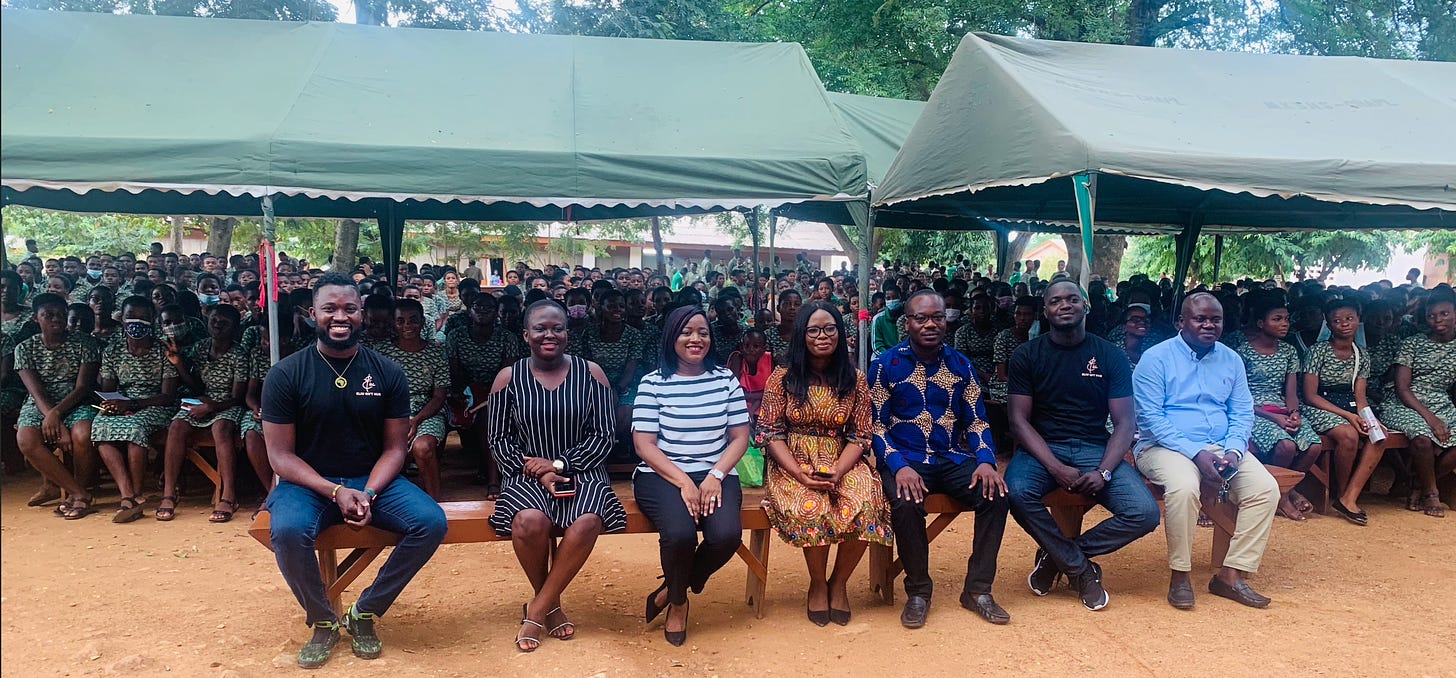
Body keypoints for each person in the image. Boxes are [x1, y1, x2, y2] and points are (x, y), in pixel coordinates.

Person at [262, 274, 447, 669]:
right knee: (288, 531)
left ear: (362, 314)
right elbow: (280, 457)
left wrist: (369, 492)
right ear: (312, 314)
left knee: (431, 521)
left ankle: (365, 611)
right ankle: (323, 620)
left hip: (371, 478)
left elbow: (396, 447)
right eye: (330, 309)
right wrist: (334, 491)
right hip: (307, 482)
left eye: (349, 308)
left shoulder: (388, 372)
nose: (340, 317)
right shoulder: (285, 374)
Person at [1005, 281, 1158, 611]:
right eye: (1056, 301)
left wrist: (1103, 471)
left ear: (1085, 305)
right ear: (1045, 311)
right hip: (1041, 450)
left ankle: (1058, 557)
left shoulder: (1109, 355)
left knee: (1144, 513)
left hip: (1095, 448)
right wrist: (1055, 467)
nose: (1065, 305)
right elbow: (1018, 421)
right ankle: (1080, 569)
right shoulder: (1026, 355)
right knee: (1015, 492)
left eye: (1072, 299)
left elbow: (1126, 424)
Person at [487, 301, 626, 651]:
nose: (549, 335)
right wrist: (535, 468)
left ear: (568, 333)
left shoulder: (591, 373)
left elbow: (604, 435)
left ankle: (536, 610)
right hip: (526, 472)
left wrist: (559, 465)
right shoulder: (508, 378)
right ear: (526, 335)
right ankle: (550, 603)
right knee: (530, 521)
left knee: (587, 521)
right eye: (540, 328)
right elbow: (498, 440)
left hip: (582, 469)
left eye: (557, 328)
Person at [869, 290, 1010, 629]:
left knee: (997, 494)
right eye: (921, 318)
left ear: (946, 320)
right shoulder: (885, 366)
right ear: (908, 323)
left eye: (937, 317)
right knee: (905, 502)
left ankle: (977, 590)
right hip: (904, 457)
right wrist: (899, 466)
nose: (930, 324)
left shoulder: (962, 366)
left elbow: (976, 421)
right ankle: (918, 592)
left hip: (949, 456)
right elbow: (875, 425)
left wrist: (986, 461)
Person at [1133, 292, 1280, 610]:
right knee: (1185, 487)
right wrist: (1196, 453)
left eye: (1216, 319)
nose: (1209, 325)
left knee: (1266, 490)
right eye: (1200, 318)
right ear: (1181, 322)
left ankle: (1230, 575)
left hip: (1220, 447)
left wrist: (1234, 453)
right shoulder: (1155, 358)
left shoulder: (1231, 359)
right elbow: (1149, 418)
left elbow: (1242, 413)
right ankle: (1180, 574)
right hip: (1163, 446)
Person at [759, 301, 892, 626]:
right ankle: (817, 583)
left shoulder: (855, 379)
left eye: (829, 328)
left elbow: (861, 434)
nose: (822, 336)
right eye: (814, 330)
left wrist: (837, 470)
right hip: (792, 460)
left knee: (867, 501)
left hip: (841, 459)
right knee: (812, 504)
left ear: (840, 332)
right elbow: (769, 431)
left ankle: (839, 583)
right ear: (802, 335)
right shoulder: (782, 378)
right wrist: (799, 473)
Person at [633, 306, 750, 647]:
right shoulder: (652, 383)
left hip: (716, 471)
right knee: (681, 534)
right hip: (662, 474)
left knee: (726, 535)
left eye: (703, 332)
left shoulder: (725, 379)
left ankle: (672, 588)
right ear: (672, 337)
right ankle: (679, 604)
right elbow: (644, 445)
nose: (695, 339)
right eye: (686, 332)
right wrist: (684, 482)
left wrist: (714, 475)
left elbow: (740, 436)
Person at [1234, 296, 1326, 521]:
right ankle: (1281, 496)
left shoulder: (1288, 351)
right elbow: (1238, 397)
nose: (1285, 323)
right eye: (1277, 319)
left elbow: (1291, 393)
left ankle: (1284, 491)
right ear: (1260, 323)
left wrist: (1294, 414)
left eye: (1286, 319)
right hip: (1253, 409)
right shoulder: (1242, 352)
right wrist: (1275, 419)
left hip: (1281, 408)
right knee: (1285, 445)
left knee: (1313, 445)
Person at [12, 293, 102, 519]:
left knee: (83, 434)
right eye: (48, 315)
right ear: (36, 318)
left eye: (61, 314)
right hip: (40, 403)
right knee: (26, 439)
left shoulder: (85, 343)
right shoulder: (24, 348)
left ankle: (79, 491)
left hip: (76, 400)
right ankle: (79, 494)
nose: (56, 319)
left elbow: (83, 387)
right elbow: (36, 391)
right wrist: (52, 417)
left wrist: (57, 415)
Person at [93, 295, 179, 523]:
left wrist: (132, 405)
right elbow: (109, 388)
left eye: (143, 318)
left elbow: (168, 396)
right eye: (131, 317)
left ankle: (138, 494)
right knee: (101, 425)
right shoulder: (113, 350)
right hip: (123, 404)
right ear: (122, 319)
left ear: (153, 320)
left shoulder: (163, 350)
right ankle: (127, 495)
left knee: (134, 429)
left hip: (155, 406)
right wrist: (113, 403)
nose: (136, 323)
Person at [1300, 299, 1387, 525]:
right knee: (1348, 435)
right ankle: (1340, 493)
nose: (1344, 324)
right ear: (1328, 325)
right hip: (1319, 404)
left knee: (1379, 435)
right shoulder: (1317, 351)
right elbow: (1310, 395)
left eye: (1349, 319)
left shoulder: (1362, 355)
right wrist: (1349, 416)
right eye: (1337, 321)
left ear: (1359, 321)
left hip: (1349, 405)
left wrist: (1370, 419)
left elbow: (1360, 398)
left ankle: (1350, 496)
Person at [159, 304, 249, 522]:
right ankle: (169, 493)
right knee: (177, 425)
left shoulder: (239, 354)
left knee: (221, 428)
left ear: (234, 328)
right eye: (214, 320)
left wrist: (211, 407)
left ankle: (228, 495)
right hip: (203, 401)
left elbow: (237, 397)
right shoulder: (200, 348)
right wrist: (179, 364)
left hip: (227, 405)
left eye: (224, 323)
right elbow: (196, 386)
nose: (217, 325)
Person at [1378, 289, 1456, 517]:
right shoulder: (1413, 343)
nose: (1437, 320)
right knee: (1422, 438)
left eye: (1444, 314)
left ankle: (1416, 485)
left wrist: (1438, 415)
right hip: (1403, 402)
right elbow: (1402, 388)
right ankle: (1431, 494)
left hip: (1440, 401)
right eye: (1432, 315)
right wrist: (1430, 418)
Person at [377, 299, 451, 500]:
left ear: (423, 322)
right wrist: (397, 420)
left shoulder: (436, 352)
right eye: (401, 321)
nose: (407, 326)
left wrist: (416, 420)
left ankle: (435, 502)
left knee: (423, 447)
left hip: (427, 412)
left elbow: (439, 397)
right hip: (391, 413)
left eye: (413, 320)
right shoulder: (381, 352)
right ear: (393, 323)